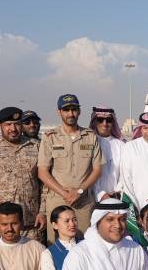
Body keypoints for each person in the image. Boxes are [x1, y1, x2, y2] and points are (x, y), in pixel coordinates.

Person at [38, 94, 104, 242]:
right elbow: (42, 172)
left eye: (74, 109)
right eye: (66, 110)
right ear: (59, 112)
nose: (70, 114)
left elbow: (97, 170)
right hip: (58, 199)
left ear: (79, 111)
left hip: (83, 201)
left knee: (85, 243)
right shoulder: (50, 137)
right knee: (57, 243)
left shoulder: (90, 136)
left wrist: (79, 191)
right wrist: (65, 193)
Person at [0, 107, 46, 241]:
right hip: (1, 225)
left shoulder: (36, 147)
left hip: (30, 223)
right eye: (8, 125)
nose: (13, 128)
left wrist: (43, 212)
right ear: (0, 126)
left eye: (17, 124)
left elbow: (45, 184)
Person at [39, 205, 81, 270]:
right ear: (55, 225)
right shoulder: (49, 254)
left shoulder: (86, 246)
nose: (72, 224)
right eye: (67, 221)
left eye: (74, 220)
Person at [90, 106, 126, 199]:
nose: (104, 124)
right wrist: (101, 195)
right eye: (100, 120)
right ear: (95, 121)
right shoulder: (89, 143)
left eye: (109, 120)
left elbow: (125, 173)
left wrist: (117, 191)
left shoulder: (122, 145)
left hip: (117, 197)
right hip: (93, 198)